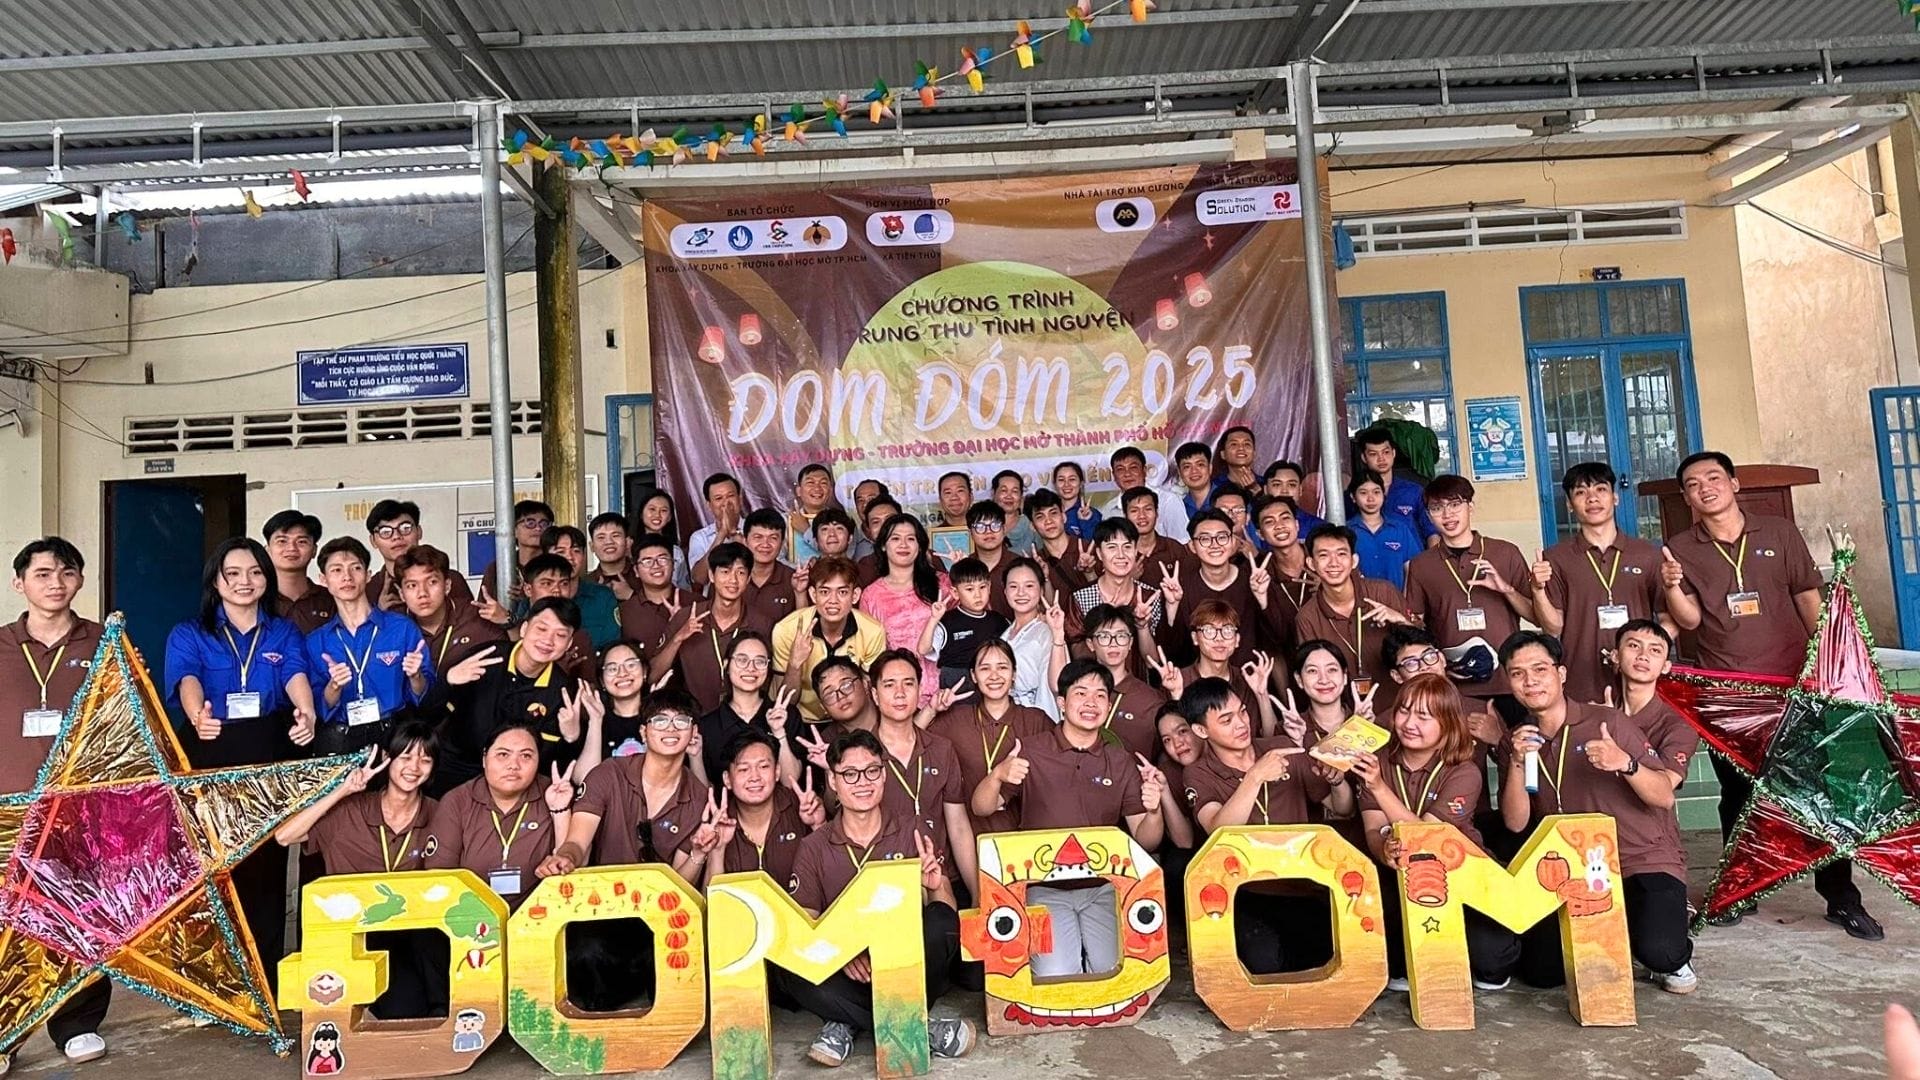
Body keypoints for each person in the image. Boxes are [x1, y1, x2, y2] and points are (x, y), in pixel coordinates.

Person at [1662, 451, 1878, 939]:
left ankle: (1842, 898)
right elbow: (1690, 620)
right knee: (1737, 798)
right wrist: (1672, 587)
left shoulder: (1778, 532)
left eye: (1714, 478)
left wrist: (1828, 666)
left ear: (1735, 483)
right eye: (1693, 484)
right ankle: (1739, 890)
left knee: (1815, 794)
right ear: (1687, 497)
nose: (1705, 488)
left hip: (1794, 688)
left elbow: (1807, 596)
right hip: (1728, 694)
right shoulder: (1681, 547)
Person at [1496, 631, 1697, 994]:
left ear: (1561, 674)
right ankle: (1622, 926)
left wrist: (1625, 763)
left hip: (1639, 857)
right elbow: (1515, 821)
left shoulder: (1607, 723)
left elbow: (1664, 796)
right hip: (1572, 868)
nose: (1531, 680)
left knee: (1661, 952)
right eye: (1518, 673)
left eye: (1540, 669)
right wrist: (1514, 761)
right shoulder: (1517, 738)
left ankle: (1665, 927)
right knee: (1542, 973)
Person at [163, 538, 317, 996]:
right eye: (234, 573)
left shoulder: (283, 631)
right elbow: (187, 678)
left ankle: (264, 982)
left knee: (267, 868)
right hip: (211, 748)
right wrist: (197, 716)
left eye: (255, 572)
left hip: (268, 751)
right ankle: (210, 985)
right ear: (216, 581)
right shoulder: (190, 632)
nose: (245, 582)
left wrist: (305, 711)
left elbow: (294, 675)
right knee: (211, 869)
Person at [782, 728, 977, 1068]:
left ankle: (845, 1021)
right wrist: (841, 952)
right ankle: (914, 1026)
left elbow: (945, 901)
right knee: (790, 964)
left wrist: (934, 885)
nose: (863, 782)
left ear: (884, 775)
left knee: (943, 921)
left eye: (872, 770)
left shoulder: (913, 827)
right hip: (849, 967)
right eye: (850, 774)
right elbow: (804, 921)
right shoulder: (813, 846)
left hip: (906, 958)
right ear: (833, 781)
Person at [971, 659, 1166, 980]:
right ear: (1062, 703)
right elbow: (981, 808)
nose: (1091, 703)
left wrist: (1154, 810)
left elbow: (1146, 840)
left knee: (1114, 974)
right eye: (1081, 693)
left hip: (1103, 888)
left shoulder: (1119, 760)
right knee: (1056, 976)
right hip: (1043, 890)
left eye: (1100, 696)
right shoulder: (1032, 750)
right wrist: (998, 776)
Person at [538, 692, 719, 1011]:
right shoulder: (608, 774)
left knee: (675, 964)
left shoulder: (699, 797)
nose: (671, 728)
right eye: (660, 720)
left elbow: (679, 883)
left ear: (694, 734)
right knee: (585, 952)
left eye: (682, 721)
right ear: (643, 732)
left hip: (656, 918)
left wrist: (698, 854)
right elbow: (578, 840)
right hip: (602, 911)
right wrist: (564, 858)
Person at [2, 538, 110, 1071]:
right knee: (9, 923)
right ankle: (7, 1033)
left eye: (66, 573)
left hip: (82, 810)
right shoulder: (0, 645)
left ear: (80, 581)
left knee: (82, 917)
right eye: (42, 574)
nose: (55, 583)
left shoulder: (105, 643)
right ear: (19, 582)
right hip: (9, 811)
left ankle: (77, 1023)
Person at [1349, 673, 1520, 993]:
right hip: (1404, 875)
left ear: (1448, 723)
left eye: (1424, 716)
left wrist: (1378, 787)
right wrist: (1383, 850)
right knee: (1397, 965)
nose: (1409, 723)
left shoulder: (1464, 770)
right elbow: (1373, 826)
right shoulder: (1379, 760)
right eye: (1404, 711)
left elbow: (1429, 835)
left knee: (1491, 961)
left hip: (1463, 875)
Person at [275, 723, 446, 1018]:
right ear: (387, 758)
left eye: (425, 759)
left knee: (435, 959)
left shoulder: (439, 813)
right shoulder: (351, 810)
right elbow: (284, 836)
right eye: (405, 757)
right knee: (405, 1012)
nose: (414, 767)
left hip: (416, 933)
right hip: (362, 934)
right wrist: (342, 791)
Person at [1182, 676, 1345, 973]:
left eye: (1242, 712)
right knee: (1263, 968)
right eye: (1226, 719)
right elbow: (1218, 831)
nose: (1241, 724)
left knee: (1322, 967)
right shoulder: (1198, 773)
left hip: (1306, 886)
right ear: (1200, 730)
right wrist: (1255, 776)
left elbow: (1342, 808)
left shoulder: (1281, 747)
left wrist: (1337, 782)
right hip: (1247, 894)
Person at [1532, 462, 1670, 706]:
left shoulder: (1647, 554)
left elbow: (1669, 619)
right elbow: (1553, 627)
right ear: (1569, 505)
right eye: (1581, 493)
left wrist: (1642, 654)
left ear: (1615, 497)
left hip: (1638, 682)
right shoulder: (1556, 557)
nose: (1592, 499)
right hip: (1580, 677)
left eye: (1600, 490)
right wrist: (1537, 590)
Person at [424, 596, 590, 795]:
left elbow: (552, 766)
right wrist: (448, 681)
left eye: (560, 635)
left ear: (569, 643)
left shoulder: (562, 692)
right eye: (541, 629)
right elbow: (427, 715)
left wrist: (571, 738)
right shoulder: (484, 657)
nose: (548, 640)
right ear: (523, 629)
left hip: (517, 784)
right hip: (458, 771)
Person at [1405, 475, 1537, 723]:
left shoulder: (1505, 552)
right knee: (1463, 758)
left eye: (1455, 504)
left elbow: (1535, 616)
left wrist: (1505, 589)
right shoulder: (1422, 565)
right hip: (1454, 685)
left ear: (1470, 507)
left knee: (1518, 754)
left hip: (1508, 680)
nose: (1447, 514)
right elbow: (1417, 625)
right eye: (1437, 508)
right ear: (1429, 515)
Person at [424, 722, 575, 912]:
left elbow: (571, 868)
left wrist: (560, 810)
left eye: (526, 756)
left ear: (538, 761)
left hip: (542, 916)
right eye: (503, 754)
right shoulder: (457, 801)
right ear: (485, 759)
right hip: (469, 918)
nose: (514, 765)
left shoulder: (553, 793)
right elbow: (441, 877)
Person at [305, 537, 434, 756]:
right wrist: (334, 686)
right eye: (336, 570)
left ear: (368, 575)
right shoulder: (316, 641)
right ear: (323, 580)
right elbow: (317, 705)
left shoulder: (401, 628)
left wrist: (415, 676)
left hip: (393, 736)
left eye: (355, 568)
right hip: (340, 741)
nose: (347, 577)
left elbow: (425, 693)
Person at [868, 650, 978, 897]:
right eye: (889, 685)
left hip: (940, 873)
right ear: (874, 694)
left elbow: (958, 825)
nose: (900, 693)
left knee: (942, 925)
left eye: (909, 684)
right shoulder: (862, 754)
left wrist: (976, 895)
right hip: (885, 879)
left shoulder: (941, 748)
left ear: (919, 690)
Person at [926, 639, 1053, 838]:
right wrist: (931, 710)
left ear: (1014, 674)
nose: (994, 676)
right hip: (970, 838)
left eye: (1002, 667)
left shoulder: (1036, 721)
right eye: (985, 668)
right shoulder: (957, 720)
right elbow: (906, 739)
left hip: (1029, 840)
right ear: (973, 676)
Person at [653, 542, 773, 714]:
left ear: (748, 580)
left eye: (740, 573)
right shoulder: (686, 617)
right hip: (694, 722)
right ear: (711, 575)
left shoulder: (762, 624)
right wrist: (678, 638)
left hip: (745, 721)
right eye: (725, 571)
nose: (733, 580)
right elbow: (652, 676)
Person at [1294, 525, 1411, 695]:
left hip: (1400, 705)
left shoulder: (1384, 592)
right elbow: (1311, 677)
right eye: (1324, 555)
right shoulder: (1307, 618)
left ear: (1354, 561)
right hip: (1347, 714)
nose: (1334, 563)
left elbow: (1423, 648)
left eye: (1341, 554)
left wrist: (1401, 620)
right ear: (1311, 563)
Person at [775, 556, 889, 722]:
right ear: (813, 595)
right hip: (801, 720)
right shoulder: (787, 630)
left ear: (855, 595)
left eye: (842, 592)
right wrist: (795, 664)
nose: (833, 601)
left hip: (853, 718)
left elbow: (871, 694)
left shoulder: (872, 631)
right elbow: (785, 703)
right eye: (824, 592)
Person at [707, 729, 826, 887]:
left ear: (777, 772)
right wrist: (717, 849)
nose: (755, 777)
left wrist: (819, 826)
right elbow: (712, 901)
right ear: (727, 779)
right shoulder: (718, 820)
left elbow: (833, 881)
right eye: (743, 769)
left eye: (763, 767)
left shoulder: (801, 807)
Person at [698, 632, 811, 788]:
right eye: (742, 660)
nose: (751, 668)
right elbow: (703, 788)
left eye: (760, 661)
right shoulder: (706, 726)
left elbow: (791, 783)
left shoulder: (788, 716)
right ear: (726, 665)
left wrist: (779, 733)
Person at [857, 515, 950, 696]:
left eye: (911, 539)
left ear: (920, 546)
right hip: (899, 695)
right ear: (883, 545)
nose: (903, 545)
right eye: (895, 538)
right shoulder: (871, 595)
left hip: (945, 690)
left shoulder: (942, 584)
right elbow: (870, 653)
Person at [1160, 509, 1262, 666]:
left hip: (1250, 679)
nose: (1215, 545)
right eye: (1205, 539)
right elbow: (1173, 652)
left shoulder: (1254, 580)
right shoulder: (1180, 588)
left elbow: (1278, 640)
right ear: (1192, 546)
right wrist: (1172, 608)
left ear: (1233, 541)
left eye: (1222, 537)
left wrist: (1264, 601)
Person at [1079, 605, 1177, 762]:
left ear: (1131, 642)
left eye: (1121, 636)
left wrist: (1176, 695)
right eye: (1104, 636)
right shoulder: (1078, 693)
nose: (1113, 643)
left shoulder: (1150, 699)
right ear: (1091, 644)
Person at [1610, 620, 1701, 782]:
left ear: (1665, 666)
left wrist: (1616, 726)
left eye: (1655, 650)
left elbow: (1665, 787)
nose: (1643, 656)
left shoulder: (1679, 726)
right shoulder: (1597, 714)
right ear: (1616, 656)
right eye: (1634, 646)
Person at [394, 545, 505, 673]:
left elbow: (512, 662)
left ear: (447, 586)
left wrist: (508, 621)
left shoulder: (476, 619)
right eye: (412, 585)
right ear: (401, 594)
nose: (422, 593)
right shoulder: (390, 628)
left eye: (432, 582)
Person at [1178, 600, 1277, 740]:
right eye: (1209, 630)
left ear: (1237, 640)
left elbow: (1269, 738)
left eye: (1227, 630)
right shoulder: (1179, 680)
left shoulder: (1247, 680)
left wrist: (1262, 694)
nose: (1219, 638)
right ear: (1195, 638)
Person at [365, 500, 473, 612]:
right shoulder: (369, 590)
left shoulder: (451, 579)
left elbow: (469, 624)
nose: (396, 536)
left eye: (405, 528)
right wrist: (377, 615)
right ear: (373, 541)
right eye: (386, 532)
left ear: (419, 531)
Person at [921, 556, 1011, 690]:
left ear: (989, 587)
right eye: (970, 589)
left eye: (982, 587)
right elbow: (923, 649)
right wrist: (934, 619)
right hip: (956, 692)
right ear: (955, 593)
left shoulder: (1000, 621)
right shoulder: (947, 622)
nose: (978, 595)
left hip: (991, 688)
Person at [1072, 518, 1164, 641]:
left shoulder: (1150, 597)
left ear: (1136, 551)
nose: (1121, 555)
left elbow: (1155, 656)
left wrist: (1142, 626)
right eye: (1112, 547)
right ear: (1099, 553)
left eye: (1127, 547)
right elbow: (1078, 650)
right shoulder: (1080, 597)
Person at [999, 557, 1065, 721]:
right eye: (1013, 586)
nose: (1021, 593)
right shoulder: (1005, 634)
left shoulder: (1046, 632)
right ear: (1005, 591)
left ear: (1041, 590)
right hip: (1009, 719)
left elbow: (1059, 684)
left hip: (1039, 722)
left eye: (1029, 586)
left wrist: (1058, 635)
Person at [534, 525, 621, 649]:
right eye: (560, 552)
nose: (570, 557)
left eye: (576, 551)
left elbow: (612, 646)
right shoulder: (535, 596)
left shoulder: (602, 597)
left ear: (584, 555)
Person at [1352, 427, 1437, 545]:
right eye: (1373, 454)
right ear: (1364, 458)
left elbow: (1432, 532)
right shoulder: (1353, 496)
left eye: (1386, 452)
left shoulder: (1414, 491)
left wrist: (1431, 562)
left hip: (1413, 560)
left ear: (1394, 453)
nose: (1381, 459)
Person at [616, 532, 693, 661]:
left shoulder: (696, 603)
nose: (656, 566)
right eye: (647, 561)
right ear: (636, 571)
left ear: (673, 565)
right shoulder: (625, 611)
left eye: (662, 559)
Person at [1252, 496, 1313, 656]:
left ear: (1297, 525)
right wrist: (1262, 598)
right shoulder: (1259, 573)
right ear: (1260, 534)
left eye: (1285, 518)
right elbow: (1271, 641)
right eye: (1269, 522)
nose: (1279, 526)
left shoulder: (1323, 560)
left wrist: (1331, 589)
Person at [264, 509, 337, 634]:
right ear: (267, 550)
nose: (291, 548)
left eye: (301, 542)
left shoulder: (331, 600)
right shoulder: (257, 599)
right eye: (282, 541)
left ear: (314, 550)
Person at [1347, 470, 1421, 590]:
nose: (1370, 498)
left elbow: (1412, 570)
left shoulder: (1400, 529)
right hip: (1359, 605)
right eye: (1363, 493)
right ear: (1353, 497)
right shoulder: (1347, 532)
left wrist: (1405, 604)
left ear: (1383, 494)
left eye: (1376, 492)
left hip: (1396, 604)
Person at [1103, 446, 1188, 540]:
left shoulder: (1168, 500)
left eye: (1133, 468)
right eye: (1120, 469)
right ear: (1114, 475)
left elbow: (1182, 543)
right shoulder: (1109, 510)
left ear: (1144, 471)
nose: (1127, 474)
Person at [1123, 486, 1198, 591]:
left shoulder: (1174, 549)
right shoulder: (1120, 553)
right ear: (1125, 516)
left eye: (1148, 509)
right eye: (1134, 511)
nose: (1142, 516)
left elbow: (1190, 587)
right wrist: (1126, 579)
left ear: (1157, 513)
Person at [478, 499, 553, 601]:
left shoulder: (556, 565)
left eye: (544, 524)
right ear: (514, 530)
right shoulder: (498, 568)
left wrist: (530, 598)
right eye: (530, 523)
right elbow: (482, 609)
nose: (538, 528)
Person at [1026, 488, 1092, 597]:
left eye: (1053, 513)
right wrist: (1045, 578)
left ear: (1064, 516)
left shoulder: (1088, 549)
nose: (1048, 521)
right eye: (1040, 517)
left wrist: (1090, 572)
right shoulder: (1036, 563)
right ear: (1032, 526)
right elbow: (1045, 606)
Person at [742, 508, 802, 627]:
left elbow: (803, 625)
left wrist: (800, 593)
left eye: (773, 538)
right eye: (758, 537)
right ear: (745, 541)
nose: (765, 544)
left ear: (782, 543)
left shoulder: (793, 578)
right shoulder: (731, 577)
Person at [960, 500, 1020, 617]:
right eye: (980, 527)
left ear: (1004, 528)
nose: (988, 531)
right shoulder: (965, 568)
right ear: (970, 533)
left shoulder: (1019, 565)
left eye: (995, 525)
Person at [594, 639, 650, 761]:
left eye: (631, 665)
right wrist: (595, 721)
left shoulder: (659, 719)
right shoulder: (596, 720)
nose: (622, 673)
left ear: (644, 671)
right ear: (602, 681)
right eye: (612, 668)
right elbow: (584, 777)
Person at [689, 472, 747, 587]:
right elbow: (699, 579)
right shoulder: (699, 537)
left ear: (740, 499)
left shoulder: (754, 529)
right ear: (709, 505)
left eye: (730, 496)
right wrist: (721, 535)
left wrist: (736, 534)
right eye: (719, 498)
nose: (726, 503)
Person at [636, 488, 694, 591]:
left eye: (663, 510)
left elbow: (684, 589)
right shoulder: (629, 548)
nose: (657, 515)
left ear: (670, 517)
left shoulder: (676, 552)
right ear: (641, 513)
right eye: (652, 509)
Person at [789, 463, 840, 565]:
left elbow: (842, 555)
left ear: (830, 491)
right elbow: (778, 559)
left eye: (823, 483)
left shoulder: (842, 521)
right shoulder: (787, 520)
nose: (817, 488)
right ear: (799, 491)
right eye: (810, 483)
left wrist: (806, 530)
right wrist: (800, 573)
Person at [1262, 460, 1326, 536]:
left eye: (1291, 485)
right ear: (1265, 490)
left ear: (1300, 490)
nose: (1284, 491)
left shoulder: (1317, 527)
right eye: (1277, 485)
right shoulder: (1253, 524)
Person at [586, 511, 638, 601]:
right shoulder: (586, 584)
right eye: (601, 537)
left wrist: (631, 595)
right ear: (592, 546)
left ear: (627, 543)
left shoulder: (643, 575)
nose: (609, 542)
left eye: (615, 535)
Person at [989, 469, 1041, 557]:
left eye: (1015, 491)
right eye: (1004, 490)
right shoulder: (982, 526)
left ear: (1021, 496)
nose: (1009, 496)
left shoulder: (1032, 527)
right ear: (993, 493)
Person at [1053, 460, 1102, 540]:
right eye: (1061, 480)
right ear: (1055, 484)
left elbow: (1095, 545)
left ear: (1081, 484)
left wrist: (1086, 522)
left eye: (1072, 479)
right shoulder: (1048, 513)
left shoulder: (1093, 515)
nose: (1066, 484)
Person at [1174, 441, 1221, 519]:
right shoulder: (1179, 507)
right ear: (1179, 472)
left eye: (1200, 465)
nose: (1194, 471)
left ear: (1210, 468)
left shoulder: (1228, 499)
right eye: (1187, 467)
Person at [1215, 425, 1260, 491]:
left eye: (1247, 444)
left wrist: (1257, 491)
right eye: (1234, 444)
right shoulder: (1213, 486)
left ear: (1254, 453)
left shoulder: (1266, 484)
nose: (1241, 448)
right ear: (1223, 454)